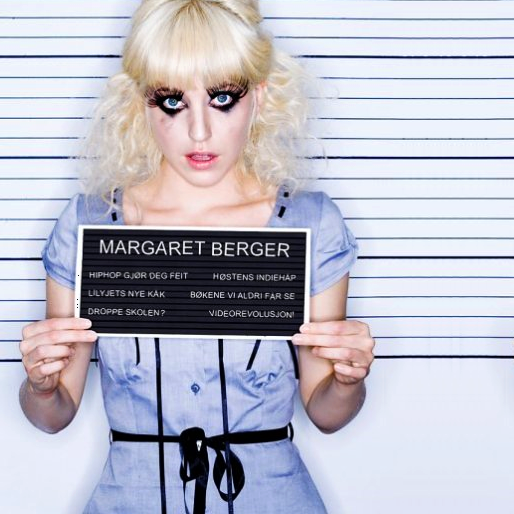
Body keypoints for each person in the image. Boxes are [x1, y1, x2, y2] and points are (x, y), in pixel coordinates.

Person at [18, 1, 375, 512]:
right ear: (140, 103)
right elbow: (54, 415)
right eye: (172, 102)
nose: (200, 131)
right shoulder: (87, 226)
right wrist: (40, 385)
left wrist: (347, 379)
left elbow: (327, 413)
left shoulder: (310, 224)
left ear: (259, 95)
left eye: (222, 98)